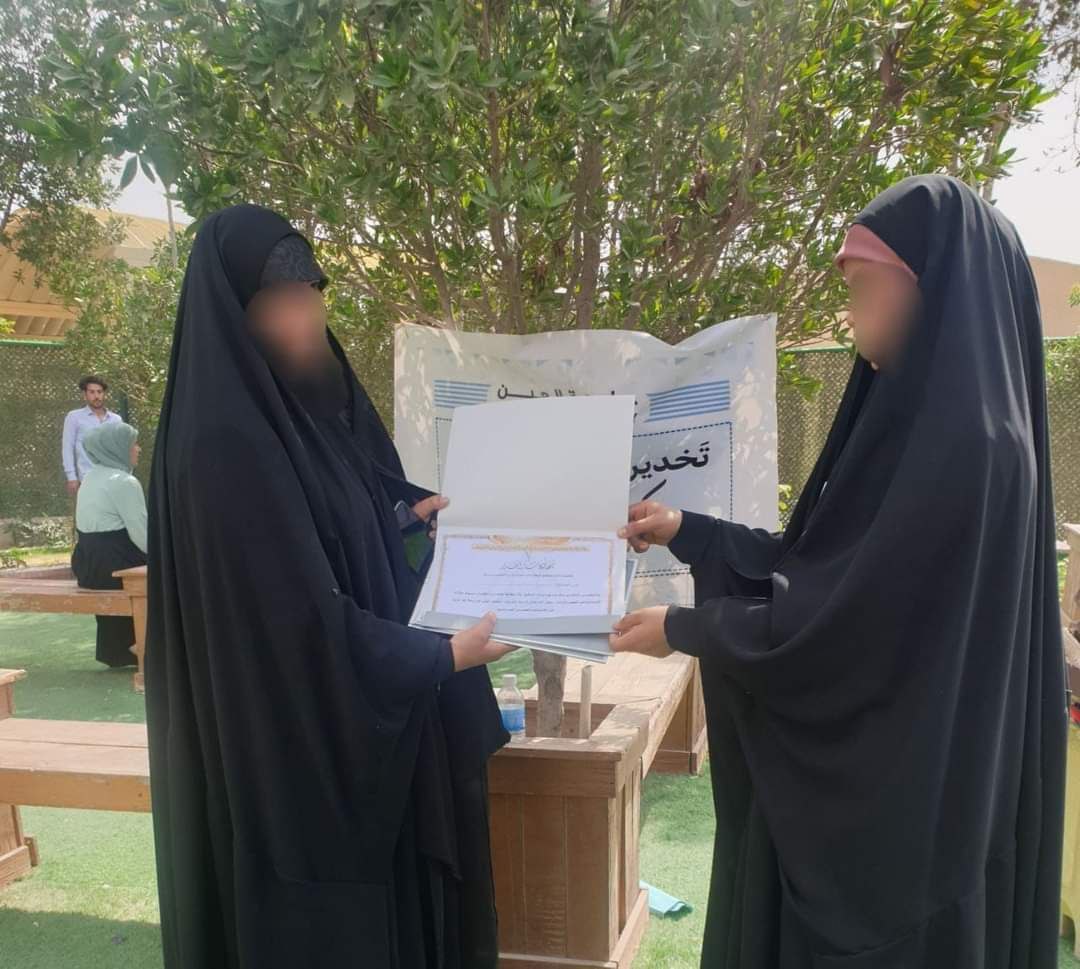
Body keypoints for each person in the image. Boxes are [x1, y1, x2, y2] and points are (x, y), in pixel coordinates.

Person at [612, 176, 1066, 968]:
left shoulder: (973, 448)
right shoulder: (920, 424)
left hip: (906, 833)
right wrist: (694, 533)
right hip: (894, 795)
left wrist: (688, 627)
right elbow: (827, 561)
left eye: (863, 287)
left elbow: (858, 620)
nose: (850, 315)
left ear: (931, 286)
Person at [145, 204, 514, 969]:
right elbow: (292, 624)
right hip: (291, 767)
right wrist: (441, 657)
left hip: (360, 739)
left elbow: (331, 528)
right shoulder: (222, 444)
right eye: (283, 299)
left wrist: (402, 524)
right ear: (237, 315)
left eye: (312, 292)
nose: (308, 317)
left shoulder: (309, 414)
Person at [71, 421, 147, 668]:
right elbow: (143, 537)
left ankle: (118, 646)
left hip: (88, 566)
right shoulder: (124, 482)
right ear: (117, 448)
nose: (138, 449)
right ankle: (142, 644)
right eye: (133, 444)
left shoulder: (90, 478)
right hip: (115, 568)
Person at [61, 375, 122, 496]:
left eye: (99, 392)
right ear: (85, 394)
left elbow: (121, 450)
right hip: (87, 477)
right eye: (92, 392)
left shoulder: (116, 419)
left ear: (104, 394)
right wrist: (71, 477)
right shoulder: (74, 417)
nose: (96, 396)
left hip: (112, 478)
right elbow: (67, 447)